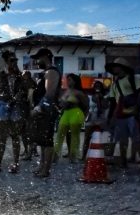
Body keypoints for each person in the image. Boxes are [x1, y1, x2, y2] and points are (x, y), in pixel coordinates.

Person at [106, 58, 140, 169]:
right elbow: (113, 102)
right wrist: (110, 117)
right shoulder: (114, 85)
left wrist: (137, 108)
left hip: (133, 114)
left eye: (116, 66)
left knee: (137, 140)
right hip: (121, 114)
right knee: (122, 140)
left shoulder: (133, 79)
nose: (114, 68)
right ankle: (124, 162)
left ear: (122, 68)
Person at [0, 52, 27, 173]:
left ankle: (16, 163)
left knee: (15, 136)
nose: (14, 63)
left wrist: (16, 99)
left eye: (15, 60)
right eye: (12, 60)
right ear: (6, 62)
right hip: (2, 106)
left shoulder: (19, 75)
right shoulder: (0, 75)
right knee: (2, 137)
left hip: (15, 107)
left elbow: (23, 90)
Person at [30, 48, 61, 178]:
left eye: (38, 58)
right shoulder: (46, 73)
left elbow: (50, 94)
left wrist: (39, 108)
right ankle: (42, 166)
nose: (37, 62)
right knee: (42, 141)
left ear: (46, 57)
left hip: (47, 111)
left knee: (47, 141)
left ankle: (45, 169)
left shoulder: (51, 72)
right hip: (43, 111)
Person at [54, 74, 89, 164]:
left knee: (75, 136)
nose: (68, 81)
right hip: (65, 113)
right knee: (59, 134)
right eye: (67, 79)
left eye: (70, 79)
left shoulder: (79, 92)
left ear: (75, 81)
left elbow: (86, 105)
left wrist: (84, 116)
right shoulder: (65, 91)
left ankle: (73, 156)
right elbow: (60, 104)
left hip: (76, 113)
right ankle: (56, 156)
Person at [82, 81, 109, 160]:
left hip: (101, 119)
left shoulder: (105, 97)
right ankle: (83, 156)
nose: (97, 87)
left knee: (102, 138)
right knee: (87, 138)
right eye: (96, 86)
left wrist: (100, 99)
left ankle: (102, 156)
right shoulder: (89, 97)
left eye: (99, 86)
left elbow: (105, 107)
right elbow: (87, 107)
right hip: (91, 119)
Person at [21, 70, 38, 160]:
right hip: (24, 111)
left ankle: (31, 151)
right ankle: (28, 150)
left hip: (29, 112)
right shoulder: (25, 84)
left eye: (24, 75)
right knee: (25, 132)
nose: (22, 77)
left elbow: (31, 100)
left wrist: (31, 109)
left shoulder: (31, 85)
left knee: (30, 132)